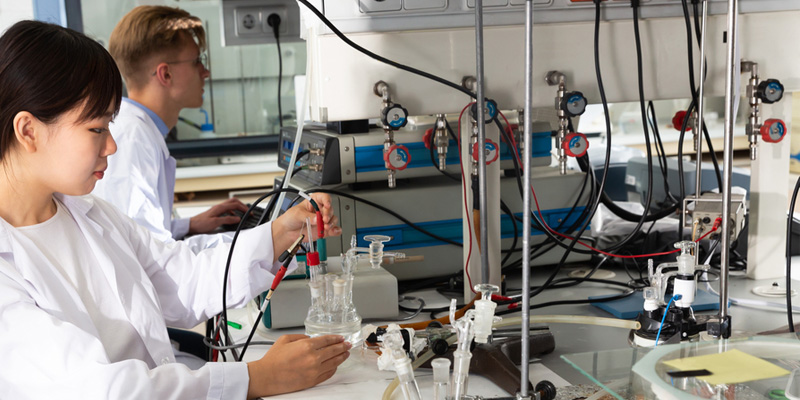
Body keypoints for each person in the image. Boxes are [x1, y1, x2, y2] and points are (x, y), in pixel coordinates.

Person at [0, 20, 348, 399]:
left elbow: (179, 278)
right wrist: (256, 378)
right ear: (28, 130)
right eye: (96, 129)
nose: (112, 146)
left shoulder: (88, 213)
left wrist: (282, 232)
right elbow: (103, 390)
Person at [92, 5, 249, 245]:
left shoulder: (137, 128)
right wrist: (263, 240)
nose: (205, 72)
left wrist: (188, 225)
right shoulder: (133, 137)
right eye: (197, 61)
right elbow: (149, 254)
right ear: (165, 74)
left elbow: (138, 230)